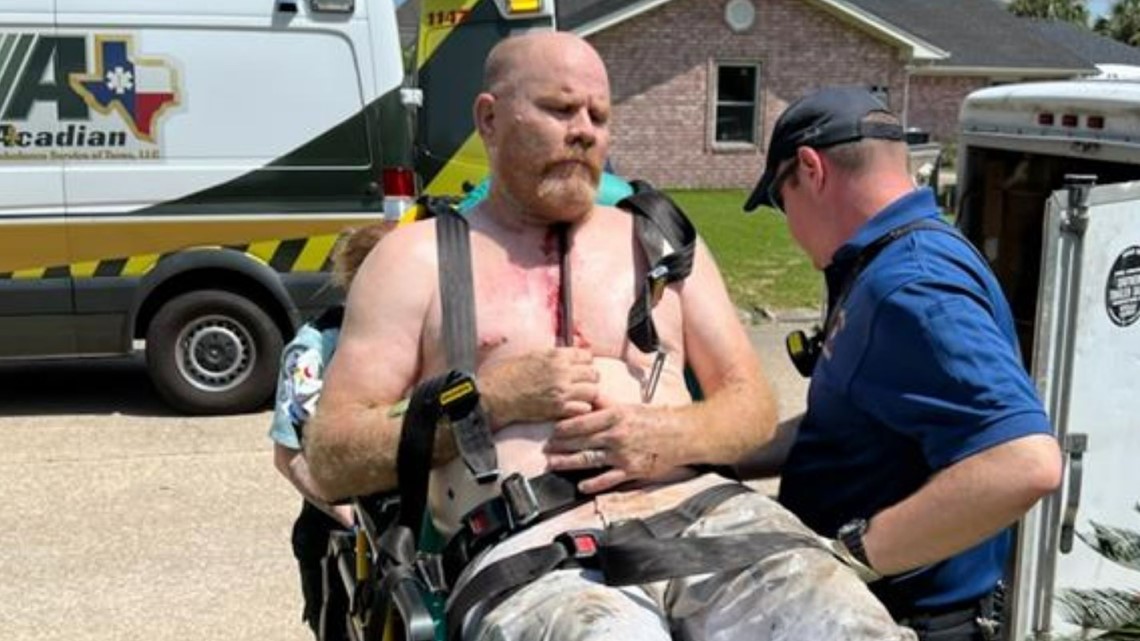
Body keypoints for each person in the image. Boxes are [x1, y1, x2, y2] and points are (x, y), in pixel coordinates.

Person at [305, 33, 914, 640]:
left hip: (712, 524)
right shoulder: (415, 261)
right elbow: (332, 458)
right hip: (535, 555)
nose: (584, 130)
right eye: (560, 109)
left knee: (850, 626)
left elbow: (751, 405)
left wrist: (670, 434)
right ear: (489, 118)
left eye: (599, 115)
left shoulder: (661, 242)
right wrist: (491, 402)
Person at [742, 86, 1063, 640]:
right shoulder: (892, 259)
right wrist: (716, 455)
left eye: (781, 200)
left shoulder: (909, 285)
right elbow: (847, 426)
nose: (790, 227)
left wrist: (852, 554)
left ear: (811, 169)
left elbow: (1025, 462)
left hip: (904, 620)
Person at [268, 221, 393, 641]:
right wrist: (351, 517)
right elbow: (289, 456)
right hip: (339, 533)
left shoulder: (428, 336)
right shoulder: (314, 350)